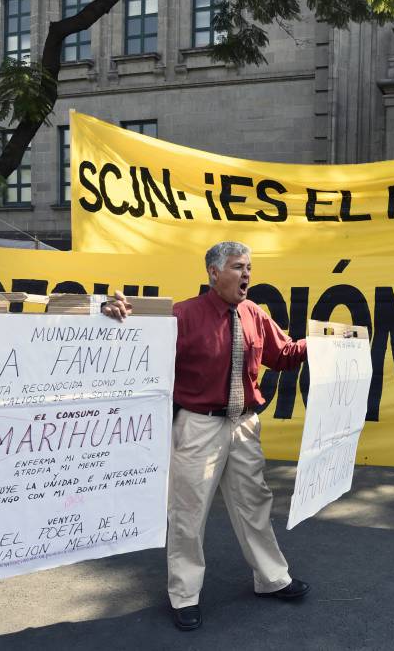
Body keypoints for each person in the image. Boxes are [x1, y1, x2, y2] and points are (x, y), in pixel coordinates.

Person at [103, 242, 311, 631]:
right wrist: (111, 313)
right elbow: (135, 341)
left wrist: (325, 345)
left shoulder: (253, 314)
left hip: (244, 425)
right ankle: (185, 595)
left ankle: (272, 579)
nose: (246, 274)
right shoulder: (183, 315)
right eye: (237, 267)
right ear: (214, 273)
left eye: (249, 267)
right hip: (198, 426)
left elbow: (283, 354)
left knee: (255, 503)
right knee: (188, 513)